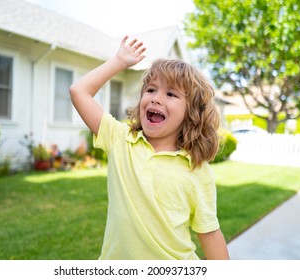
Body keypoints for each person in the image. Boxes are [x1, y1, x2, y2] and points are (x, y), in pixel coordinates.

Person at [69, 36, 230, 260]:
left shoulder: (196, 170)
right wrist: (119, 61)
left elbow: (210, 233)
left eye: (171, 94)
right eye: (151, 90)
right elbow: (79, 91)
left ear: (191, 113)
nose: (156, 99)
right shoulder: (120, 140)